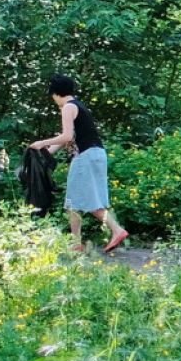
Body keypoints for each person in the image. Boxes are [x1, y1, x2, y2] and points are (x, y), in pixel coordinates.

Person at [29, 75, 128, 253]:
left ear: (55, 93)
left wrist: (41, 143)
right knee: (78, 202)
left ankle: (115, 231)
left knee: (78, 201)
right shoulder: (78, 106)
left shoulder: (68, 107)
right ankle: (76, 244)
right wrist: (45, 154)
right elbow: (68, 138)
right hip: (97, 154)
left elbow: (66, 136)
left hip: (85, 157)